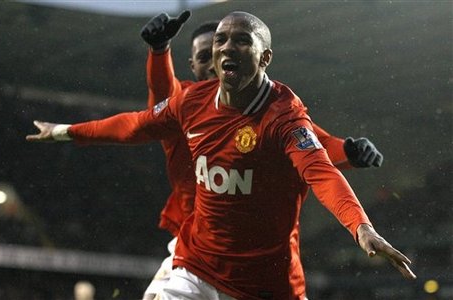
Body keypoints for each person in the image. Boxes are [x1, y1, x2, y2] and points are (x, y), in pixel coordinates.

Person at [27, 11, 415, 300]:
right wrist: (64, 132)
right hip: (198, 264)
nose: (228, 47)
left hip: (268, 282)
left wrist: (360, 225)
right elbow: (135, 124)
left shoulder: (283, 115)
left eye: (242, 40)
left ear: (265, 58)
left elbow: (319, 168)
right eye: (221, 41)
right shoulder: (191, 102)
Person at [140, 11, 383, 300]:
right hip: (199, 252)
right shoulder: (187, 104)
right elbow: (160, 98)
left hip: (259, 257)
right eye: (204, 57)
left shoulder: (271, 110)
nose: (214, 63)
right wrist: (159, 52)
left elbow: (316, 149)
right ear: (192, 65)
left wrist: (351, 152)